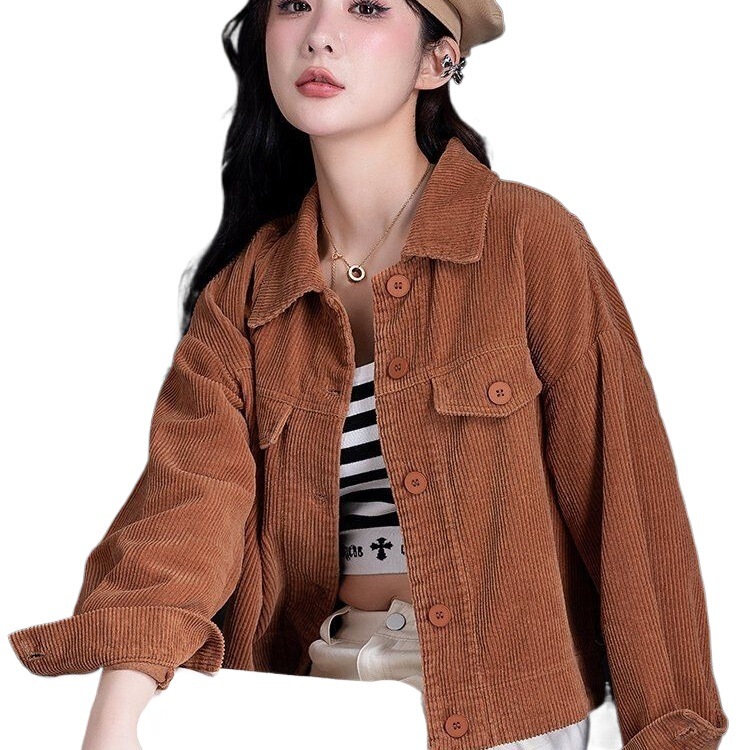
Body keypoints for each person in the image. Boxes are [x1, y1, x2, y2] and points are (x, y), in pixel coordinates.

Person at [8, 1, 729, 749]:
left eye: (367, 7)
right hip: (316, 699)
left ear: (437, 61)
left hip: (499, 713)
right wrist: (115, 713)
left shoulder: (527, 242)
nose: (320, 35)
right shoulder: (243, 298)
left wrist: (671, 735)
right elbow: (189, 507)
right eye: (295, 5)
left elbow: (629, 507)